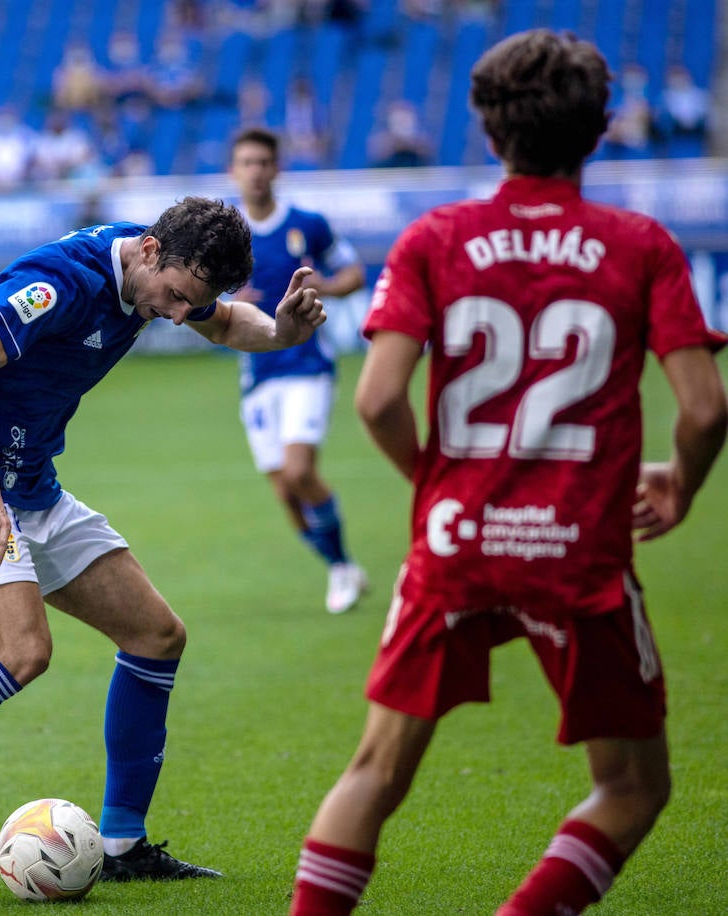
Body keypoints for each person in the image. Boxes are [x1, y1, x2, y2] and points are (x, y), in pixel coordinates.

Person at [289, 30, 727, 915]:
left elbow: (376, 401)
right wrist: (680, 479)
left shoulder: (436, 238)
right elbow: (707, 408)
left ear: (489, 133)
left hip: (456, 541)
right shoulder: (640, 245)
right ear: (600, 131)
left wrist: (437, 481)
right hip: (582, 554)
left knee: (375, 771)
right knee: (633, 786)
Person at [0, 196, 328, 903]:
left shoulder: (163, 274)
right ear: (150, 250)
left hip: (35, 492)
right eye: (176, 298)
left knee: (155, 635)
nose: (178, 315)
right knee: (24, 652)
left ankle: (121, 844)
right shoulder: (60, 281)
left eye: (190, 303)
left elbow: (227, 322)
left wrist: (283, 332)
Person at [226, 126, 367, 614]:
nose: (256, 171)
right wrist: (225, 300)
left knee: (300, 469)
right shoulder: (225, 234)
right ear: (234, 171)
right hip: (257, 375)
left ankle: (342, 567)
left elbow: (353, 274)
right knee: (286, 493)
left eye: (264, 162)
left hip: (307, 364)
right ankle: (340, 565)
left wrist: (320, 288)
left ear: (277, 168)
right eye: (247, 162)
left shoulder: (308, 224)